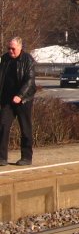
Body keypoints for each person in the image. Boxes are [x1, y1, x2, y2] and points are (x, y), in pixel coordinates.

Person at [0, 37, 36, 166]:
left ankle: (26, 157)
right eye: (9, 48)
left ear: (20, 47)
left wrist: (20, 95)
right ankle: (2, 157)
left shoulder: (28, 60)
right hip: (7, 100)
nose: (10, 51)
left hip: (23, 100)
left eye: (13, 49)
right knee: (3, 126)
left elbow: (30, 81)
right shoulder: (4, 59)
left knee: (25, 128)